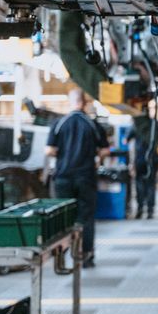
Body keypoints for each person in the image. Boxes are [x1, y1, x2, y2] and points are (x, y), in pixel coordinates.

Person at [46, 88, 110, 268]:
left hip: (63, 178)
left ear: (70, 102)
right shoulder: (92, 124)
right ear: (85, 103)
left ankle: (60, 257)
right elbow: (105, 150)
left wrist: (62, 153)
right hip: (86, 177)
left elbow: (49, 150)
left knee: (63, 218)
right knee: (86, 217)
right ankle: (87, 257)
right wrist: (97, 160)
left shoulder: (59, 123)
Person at [128, 107, 158, 219]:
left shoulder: (136, 125)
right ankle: (150, 210)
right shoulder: (155, 124)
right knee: (151, 184)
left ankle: (140, 209)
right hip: (153, 159)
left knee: (139, 184)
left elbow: (126, 139)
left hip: (139, 159)